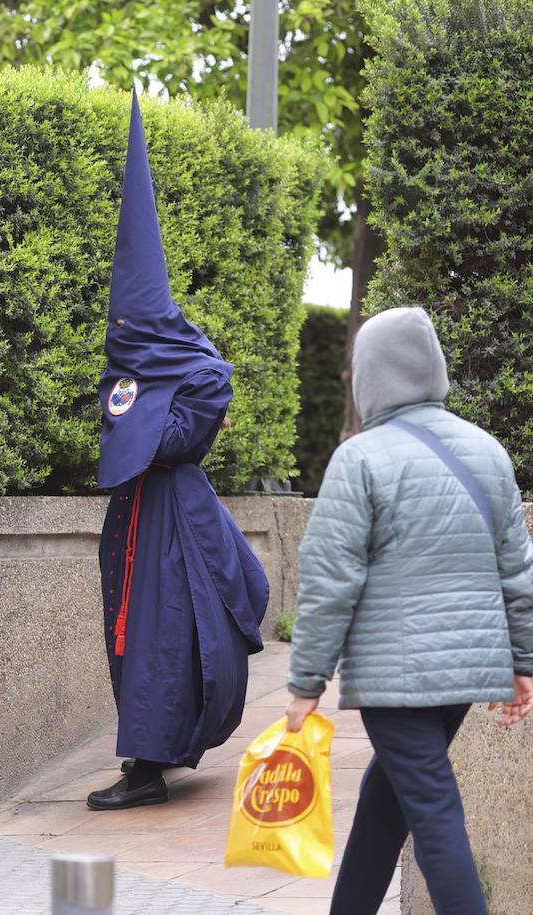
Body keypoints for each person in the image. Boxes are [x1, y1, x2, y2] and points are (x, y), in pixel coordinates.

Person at [285, 307, 533, 915]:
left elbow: (328, 579)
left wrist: (305, 683)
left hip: (396, 679)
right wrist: (523, 661)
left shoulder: (361, 459)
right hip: (464, 676)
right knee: (388, 796)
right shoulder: (488, 452)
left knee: (433, 810)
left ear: (369, 374)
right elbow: (518, 571)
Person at [87, 92, 270, 812]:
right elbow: (120, 434)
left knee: (166, 632)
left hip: (174, 516)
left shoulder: (192, 368)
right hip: (136, 510)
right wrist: (131, 399)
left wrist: (140, 401)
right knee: (133, 627)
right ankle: (145, 752)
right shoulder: (137, 367)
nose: (120, 338)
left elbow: (171, 434)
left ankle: (150, 764)